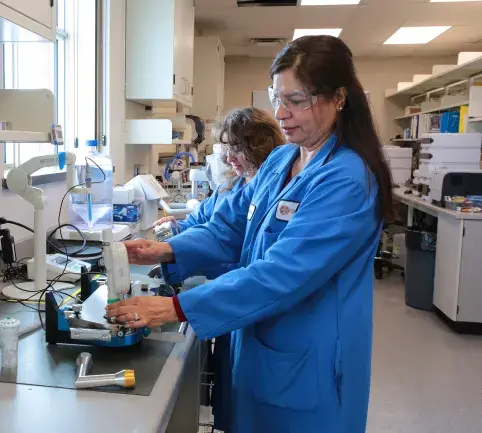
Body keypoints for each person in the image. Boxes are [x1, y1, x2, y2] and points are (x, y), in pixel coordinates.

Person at [106, 35, 393, 433]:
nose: (282, 113)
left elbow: (281, 274)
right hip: (259, 341)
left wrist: (177, 309)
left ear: (339, 97)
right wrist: (164, 250)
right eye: (278, 98)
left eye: (297, 100)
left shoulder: (345, 180)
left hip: (310, 355)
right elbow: (229, 229)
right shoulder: (281, 159)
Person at [154, 106, 286, 280]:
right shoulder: (230, 185)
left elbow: (232, 246)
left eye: (238, 149)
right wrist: (174, 230)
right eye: (226, 148)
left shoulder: (273, 192)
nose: (229, 158)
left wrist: (181, 254)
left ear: (261, 146)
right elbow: (199, 220)